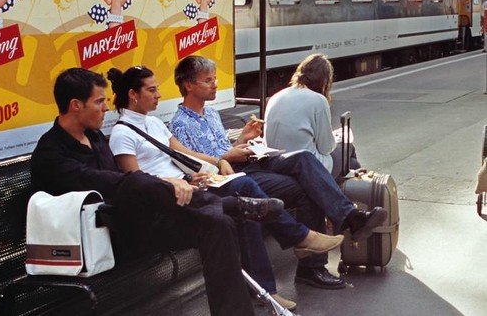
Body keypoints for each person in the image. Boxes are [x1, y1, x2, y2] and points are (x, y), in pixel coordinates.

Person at [30, 67, 290, 316]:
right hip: (99, 241)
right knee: (136, 181)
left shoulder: (95, 137)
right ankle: (230, 204)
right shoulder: (50, 153)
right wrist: (166, 183)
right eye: (99, 102)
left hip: (132, 222)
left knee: (217, 224)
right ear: (76, 105)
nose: (106, 108)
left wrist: (178, 180)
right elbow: (106, 181)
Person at [107, 65, 345, 310]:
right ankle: (299, 238)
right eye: (152, 90)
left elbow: (186, 155)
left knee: (251, 206)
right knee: (245, 189)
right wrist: (182, 179)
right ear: (133, 95)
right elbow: (135, 182)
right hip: (169, 198)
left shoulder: (154, 124)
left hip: (193, 183)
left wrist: (214, 164)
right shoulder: (122, 134)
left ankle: (273, 283)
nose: (158, 95)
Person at [169, 55, 387, 290]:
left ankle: (348, 219)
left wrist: (244, 139)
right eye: (208, 81)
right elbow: (197, 165)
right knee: (307, 185)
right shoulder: (180, 124)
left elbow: (224, 149)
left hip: (249, 161)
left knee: (304, 159)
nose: (215, 84)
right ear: (188, 85)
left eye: (214, 79)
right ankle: (315, 263)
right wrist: (227, 157)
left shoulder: (211, 114)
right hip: (232, 177)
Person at [264, 53, 360, 181]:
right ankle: (361, 190)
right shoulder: (318, 101)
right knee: (348, 147)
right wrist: (337, 139)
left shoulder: (276, 96)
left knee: (351, 164)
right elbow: (326, 148)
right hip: (307, 168)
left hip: (276, 164)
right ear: (325, 80)